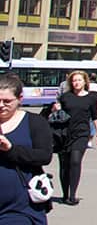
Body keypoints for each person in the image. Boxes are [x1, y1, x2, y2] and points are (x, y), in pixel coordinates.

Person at [0, 74, 52, 221]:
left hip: (20, 205)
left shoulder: (35, 122)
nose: (1, 105)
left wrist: (10, 149)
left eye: (7, 101)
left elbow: (44, 156)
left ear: (20, 99)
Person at [50, 69, 97, 206]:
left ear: (85, 81)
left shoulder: (91, 98)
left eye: (79, 80)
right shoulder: (65, 97)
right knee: (64, 165)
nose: (76, 82)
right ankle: (65, 194)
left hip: (81, 134)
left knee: (75, 161)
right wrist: (55, 109)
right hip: (64, 133)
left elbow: (95, 116)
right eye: (74, 80)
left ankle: (72, 195)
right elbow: (55, 112)